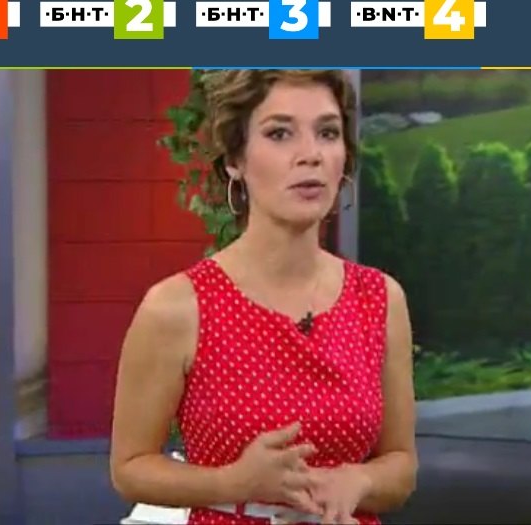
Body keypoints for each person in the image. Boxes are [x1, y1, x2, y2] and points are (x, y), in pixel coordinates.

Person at [110, 69, 418, 525]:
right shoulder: (178, 306)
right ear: (236, 158)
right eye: (279, 133)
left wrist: (360, 480)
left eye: (327, 133)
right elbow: (130, 468)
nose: (311, 154)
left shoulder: (379, 298)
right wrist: (231, 483)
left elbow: (401, 464)